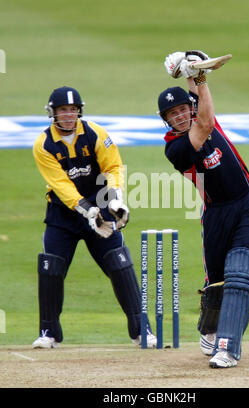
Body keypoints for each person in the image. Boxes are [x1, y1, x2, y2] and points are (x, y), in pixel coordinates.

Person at [158, 51, 249, 368]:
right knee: (217, 288)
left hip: (247, 202)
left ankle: (228, 348)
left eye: (183, 109)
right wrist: (199, 77)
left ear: (190, 107)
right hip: (216, 214)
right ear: (165, 120)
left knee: (239, 275)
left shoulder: (200, 110)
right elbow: (204, 122)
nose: (179, 116)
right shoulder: (176, 148)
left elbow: (199, 95)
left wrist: (190, 64)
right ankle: (210, 329)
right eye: (172, 114)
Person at [32, 86, 156, 349]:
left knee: (119, 264)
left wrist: (116, 200)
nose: (68, 115)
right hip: (63, 216)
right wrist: (87, 210)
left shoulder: (96, 133)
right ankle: (48, 333)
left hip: (101, 208)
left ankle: (141, 331)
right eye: (62, 110)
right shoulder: (43, 144)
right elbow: (61, 184)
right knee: (51, 267)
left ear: (80, 111)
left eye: (72, 110)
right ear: (52, 113)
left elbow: (112, 167)